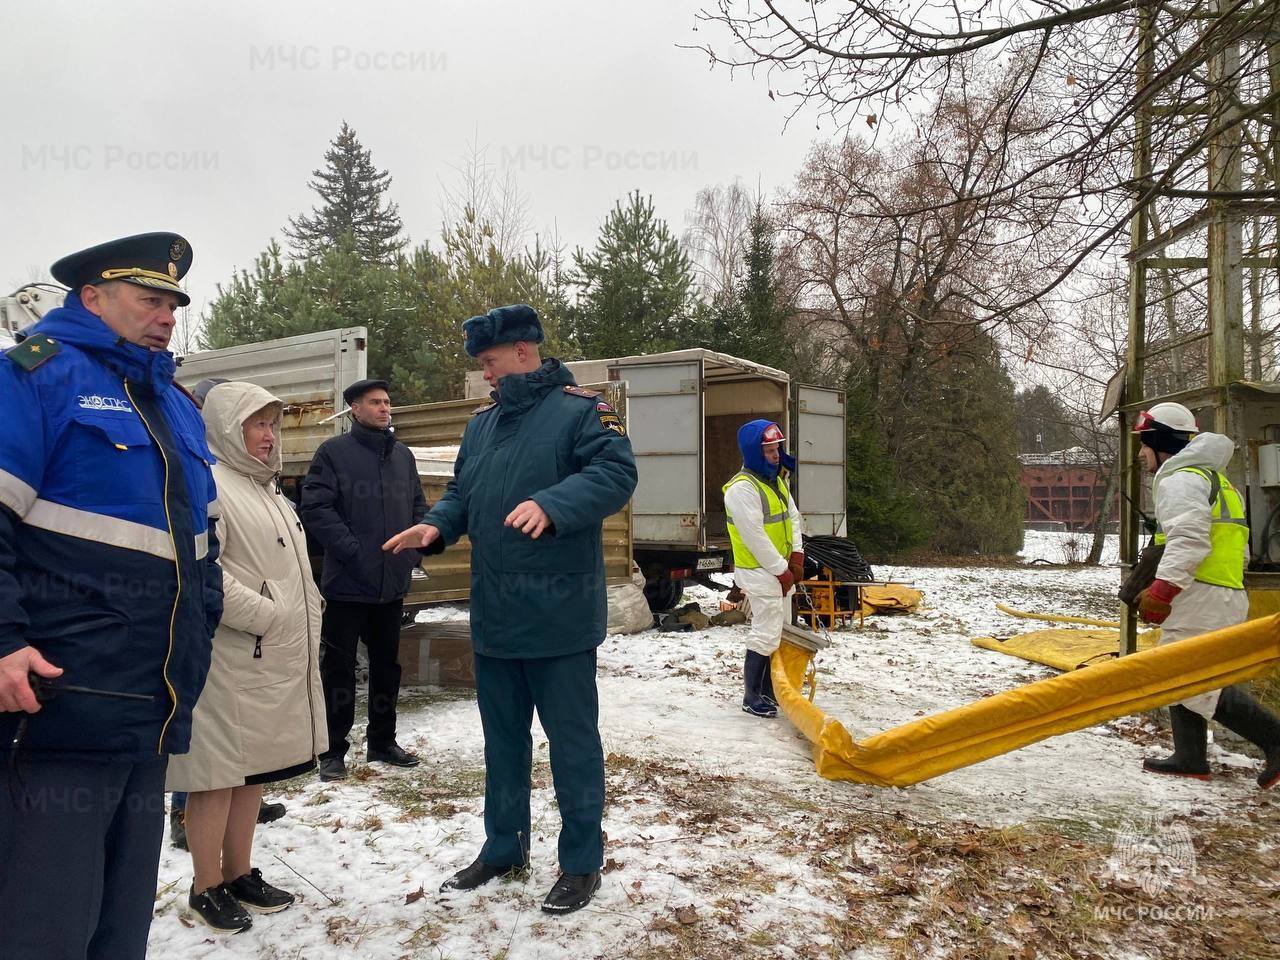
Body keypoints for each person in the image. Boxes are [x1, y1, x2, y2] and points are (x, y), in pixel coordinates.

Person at [0, 233, 222, 958]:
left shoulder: (176, 406)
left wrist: (201, 636)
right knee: (45, 925)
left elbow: (204, 549)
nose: (166, 316)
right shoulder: (35, 376)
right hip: (59, 709)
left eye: (172, 304)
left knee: (119, 928)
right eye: (149, 300)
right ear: (91, 298)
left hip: (150, 712)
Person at [384, 304, 637, 915]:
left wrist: (554, 503)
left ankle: (581, 863)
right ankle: (504, 848)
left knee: (572, 745)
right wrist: (434, 527)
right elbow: (464, 494)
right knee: (502, 744)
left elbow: (617, 472)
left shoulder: (582, 410)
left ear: (524, 351)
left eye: (490, 362)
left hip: (559, 618)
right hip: (496, 614)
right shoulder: (483, 425)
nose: (486, 375)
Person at [167, 381, 327, 931]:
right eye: (256, 424)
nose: (267, 435)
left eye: (272, 425)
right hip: (228, 656)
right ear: (227, 427)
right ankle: (204, 885)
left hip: (265, 656)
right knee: (215, 777)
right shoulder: (211, 483)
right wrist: (267, 613)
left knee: (253, 770)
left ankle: (238, 872)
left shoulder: (268, 488)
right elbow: (201, 569)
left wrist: (305, 606)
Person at [1133, 402, 1280, 789]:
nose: (1141, 453)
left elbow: (1190, 539)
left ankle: (1276, 740)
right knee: (1185, 668)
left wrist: (1162, 590)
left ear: (1161, 443)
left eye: (1145, 445)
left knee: (1190, 678)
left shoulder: (1180, 480)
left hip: (1201, 594)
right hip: (1218, 590)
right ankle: (1190, 756)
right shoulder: (1215, 479)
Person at [300, 378, 426, 780]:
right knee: (338, 669)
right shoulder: (334, 454)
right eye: (375, 402)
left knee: (387, 666)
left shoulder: (403, 456)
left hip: (391, 585)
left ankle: (383, 743)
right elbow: (316, 508)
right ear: (354, 408)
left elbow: (419, 508)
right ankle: (332, 751)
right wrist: (354, 552)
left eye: (388, 401)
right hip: (348, 585)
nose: (385, 407)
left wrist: (412, 553)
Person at [723, 420, 805, 718]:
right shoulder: (742, 489)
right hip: (759, 570)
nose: (775, 454)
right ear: (755, 453)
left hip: (780, 569)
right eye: (769, 450)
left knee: (780, 630)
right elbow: (754, 536)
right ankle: (752, 695)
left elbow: (793, 518)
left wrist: (797, 555)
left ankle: (771, 690)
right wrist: (782, 570)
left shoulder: (777, 481)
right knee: (766, 630)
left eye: (777, 448)